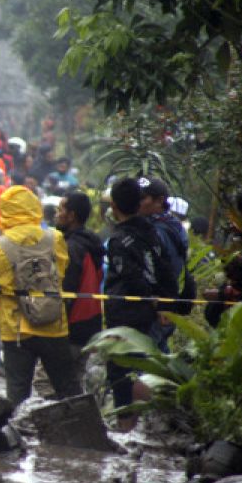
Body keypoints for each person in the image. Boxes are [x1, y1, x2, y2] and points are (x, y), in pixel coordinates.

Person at [0, 185, 82, 407]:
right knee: (68, 388)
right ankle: (85, 433)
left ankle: (18, 438)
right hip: (54, 326)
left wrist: (2, 235)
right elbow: (62, 267)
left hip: (17, 330)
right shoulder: (55, 238)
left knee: (18, 394)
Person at [103, 177, 177, 429]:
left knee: (120, 370)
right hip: (149, 314)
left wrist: (154, 302)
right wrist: (164, 303)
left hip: (126, 314)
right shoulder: (152, 232)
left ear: (114, 205)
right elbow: (167, 270)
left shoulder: (118, 239)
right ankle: (143, 422)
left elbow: (131, 276)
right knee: (143, 363)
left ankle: (127, 425)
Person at [55, 191, 105, 383]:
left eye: (61, 210)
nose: (56, 214)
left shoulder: (72, 247)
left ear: (72, 216)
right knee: (75, 382)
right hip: (91, 322)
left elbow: (67, 288)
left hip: (71, 325)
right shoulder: (92, 243)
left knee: (47, 383)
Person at [140, 177, 189, 349]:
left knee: (145, 358)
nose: (138, 203)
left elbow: (165, 269)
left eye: (143, 198)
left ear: (159, 200)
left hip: (158, 308)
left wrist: (162, 303)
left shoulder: (158, 231)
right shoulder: (174, 225)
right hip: (167, 304)